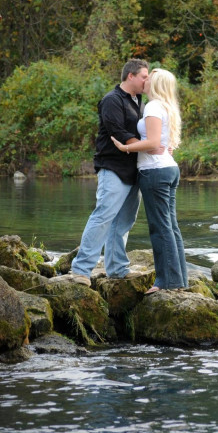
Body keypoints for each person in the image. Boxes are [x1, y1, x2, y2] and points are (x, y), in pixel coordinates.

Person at [66, 59, 150, 286]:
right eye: (144, 76)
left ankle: (117, 269)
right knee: (103, 216)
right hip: (112, 167)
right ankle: (81, 270)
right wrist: (150, 146)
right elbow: (118, 132)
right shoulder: (111, 100)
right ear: (130, 76)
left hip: (134, 169)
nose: (147, 80)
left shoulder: (139, 101)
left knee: (123, 222)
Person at [111, 68, 186, 294]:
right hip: (168, 169)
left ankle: (166, 282)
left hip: (155, 171)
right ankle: (179, 279)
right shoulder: (166, 106)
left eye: (149, 77)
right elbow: (162, 142)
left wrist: (126, 147)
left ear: (156, 83)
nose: (145, 80)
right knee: (171, 227)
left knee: (160, 228)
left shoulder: (153, 106)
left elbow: (153, 143)